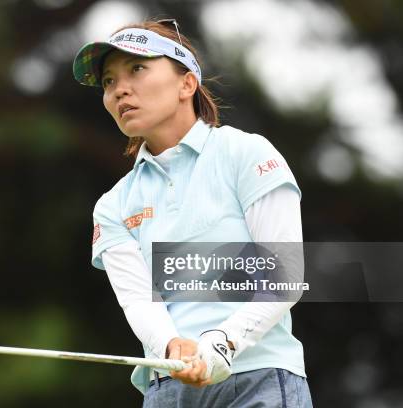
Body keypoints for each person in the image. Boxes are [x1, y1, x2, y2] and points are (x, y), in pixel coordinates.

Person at [72, 18, 313, 407]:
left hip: (258, 378)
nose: (120, 90)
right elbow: (138, 301)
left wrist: (222, 342)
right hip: (168, 389)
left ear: (186, 84)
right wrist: (172, 347)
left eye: (137, 68)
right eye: (108, 82)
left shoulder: (246, 154)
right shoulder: (113, 205)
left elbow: (284, 275)